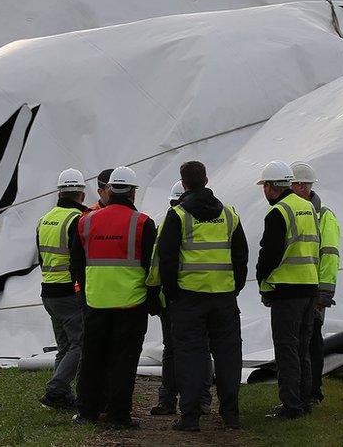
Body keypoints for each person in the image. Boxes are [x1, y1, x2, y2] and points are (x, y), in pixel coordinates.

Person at [159, 161, 248, 431]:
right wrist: (234, 288)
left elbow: (167, 259)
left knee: (190, 356)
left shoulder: (178, 216)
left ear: (184, 184)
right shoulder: (230, 215)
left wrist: (172, 294)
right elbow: (241, 256)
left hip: (189, 298)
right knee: (228, 356)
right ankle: (230, 414)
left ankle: (190, 417)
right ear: (207, 180)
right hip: (223, 298)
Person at [70, 166, 158, 429]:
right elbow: (151, 268)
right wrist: (153, 300)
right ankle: (119, 415)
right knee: (124, 361)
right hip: (132, 303)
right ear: (132, 192)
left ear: (108, 190)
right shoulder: (143, 223)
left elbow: (76, 263)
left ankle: (87, 412)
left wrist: (86, 293)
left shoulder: (85, 221)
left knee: (92, 358)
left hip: (96, 302)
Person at [255, 160, 319, 419]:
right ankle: (304, 402)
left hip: (286, 290)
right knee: (303, 348)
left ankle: (291, 406)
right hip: (309, 286)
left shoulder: (278, 212)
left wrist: (262, 282)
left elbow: (269, 254)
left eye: (265, 186)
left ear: (271, 186)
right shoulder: (308, 208)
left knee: (286, 348)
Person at [146, 181, 214, 418]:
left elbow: (158, 262)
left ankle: (168, 400)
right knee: (202, 349)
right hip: (208, 296)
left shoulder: (171, 220)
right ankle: (202, 400)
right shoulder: (217, 217)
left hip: (175, 300)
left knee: (172, 351)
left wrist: (154, 294)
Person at [37, 168, 89, 410]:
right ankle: (56, 388)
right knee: (80, 343)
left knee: (65, 346)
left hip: (48, 291)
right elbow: (80, 258)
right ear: (82, 193)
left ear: (59, 192)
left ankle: (61, 396)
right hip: (67, 291)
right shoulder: (77, 219)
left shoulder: (45, 218)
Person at [288, 162, 340, 405]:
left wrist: (324, 294)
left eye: (291, 184)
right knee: (300, 341)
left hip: (314, 292)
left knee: (312, 341)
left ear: (300, 186)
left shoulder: (323, 215)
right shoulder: (294, 210)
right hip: (298, 289)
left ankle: (313, 392)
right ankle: (301, 391)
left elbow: (329, 254)